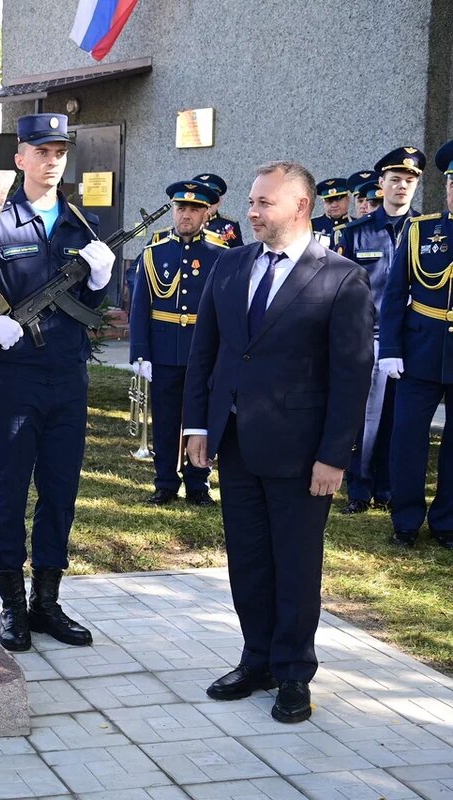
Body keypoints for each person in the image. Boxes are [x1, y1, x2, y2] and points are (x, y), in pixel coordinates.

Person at [183, 161, 372, 724]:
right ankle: (256, 659)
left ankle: (293, 672)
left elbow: (351, 375)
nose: (252, 211)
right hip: (237, 442)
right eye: (250, 200)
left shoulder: (341, 279)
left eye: (264, 202)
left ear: (299, 206)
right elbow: (207, 352)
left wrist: (334, 455)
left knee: (294, 566)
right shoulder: (231, 265)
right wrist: (198, 425)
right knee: (248, 561)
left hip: (301, 455)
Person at [0, 112, 115, 653]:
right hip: (15, 379)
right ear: (20, 158)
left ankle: (47, 602)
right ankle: (12, 605)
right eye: (41, 150)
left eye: (59, 150)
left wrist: (103, 281)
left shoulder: (80, 223)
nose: (52, 158)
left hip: (68, 376)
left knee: (60, 491)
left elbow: (90, 306)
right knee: (11, 492)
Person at [334, 147, 424, 515]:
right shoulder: (355, 234)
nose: (402, 186)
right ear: (381, 185)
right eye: (395, 180)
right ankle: (360, 487)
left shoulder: (428, 230)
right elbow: (339, 289)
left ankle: (388, 487)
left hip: (415, 338)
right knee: (368, 418)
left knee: (400, 419)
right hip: (369, 337)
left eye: (409, 181)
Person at [129, 180, 228, 506]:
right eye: (181, 208)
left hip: (203, 353)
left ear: (207, 213)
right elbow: (140, 308)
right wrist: (140, 353)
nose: (186, 215)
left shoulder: (220, 255)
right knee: (167, 418)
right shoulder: (154, 253)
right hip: (163, 349)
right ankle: (165, 483)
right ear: (174, 211)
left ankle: (198, 483)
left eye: (194, 209)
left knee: (200, 417)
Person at [378, 139, 453, 548]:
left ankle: (447, 523)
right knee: (407, 438)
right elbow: (394, 294)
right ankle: (405, 519)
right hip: (419, 350)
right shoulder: (421, 229)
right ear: (445, 188)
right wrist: (390, 349)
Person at [193, 173, 246, 246]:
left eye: (213, 197)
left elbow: (239, 254)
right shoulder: (186, 222)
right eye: (203, 197)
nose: (208, 202)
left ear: (220, 200)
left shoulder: (230, 225)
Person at [310, 178, 350, 249]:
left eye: (339, 199)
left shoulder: (356, 225)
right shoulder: (311, 226)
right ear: (323, 202)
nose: (334, 205)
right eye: (329, 200)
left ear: (348, 199)